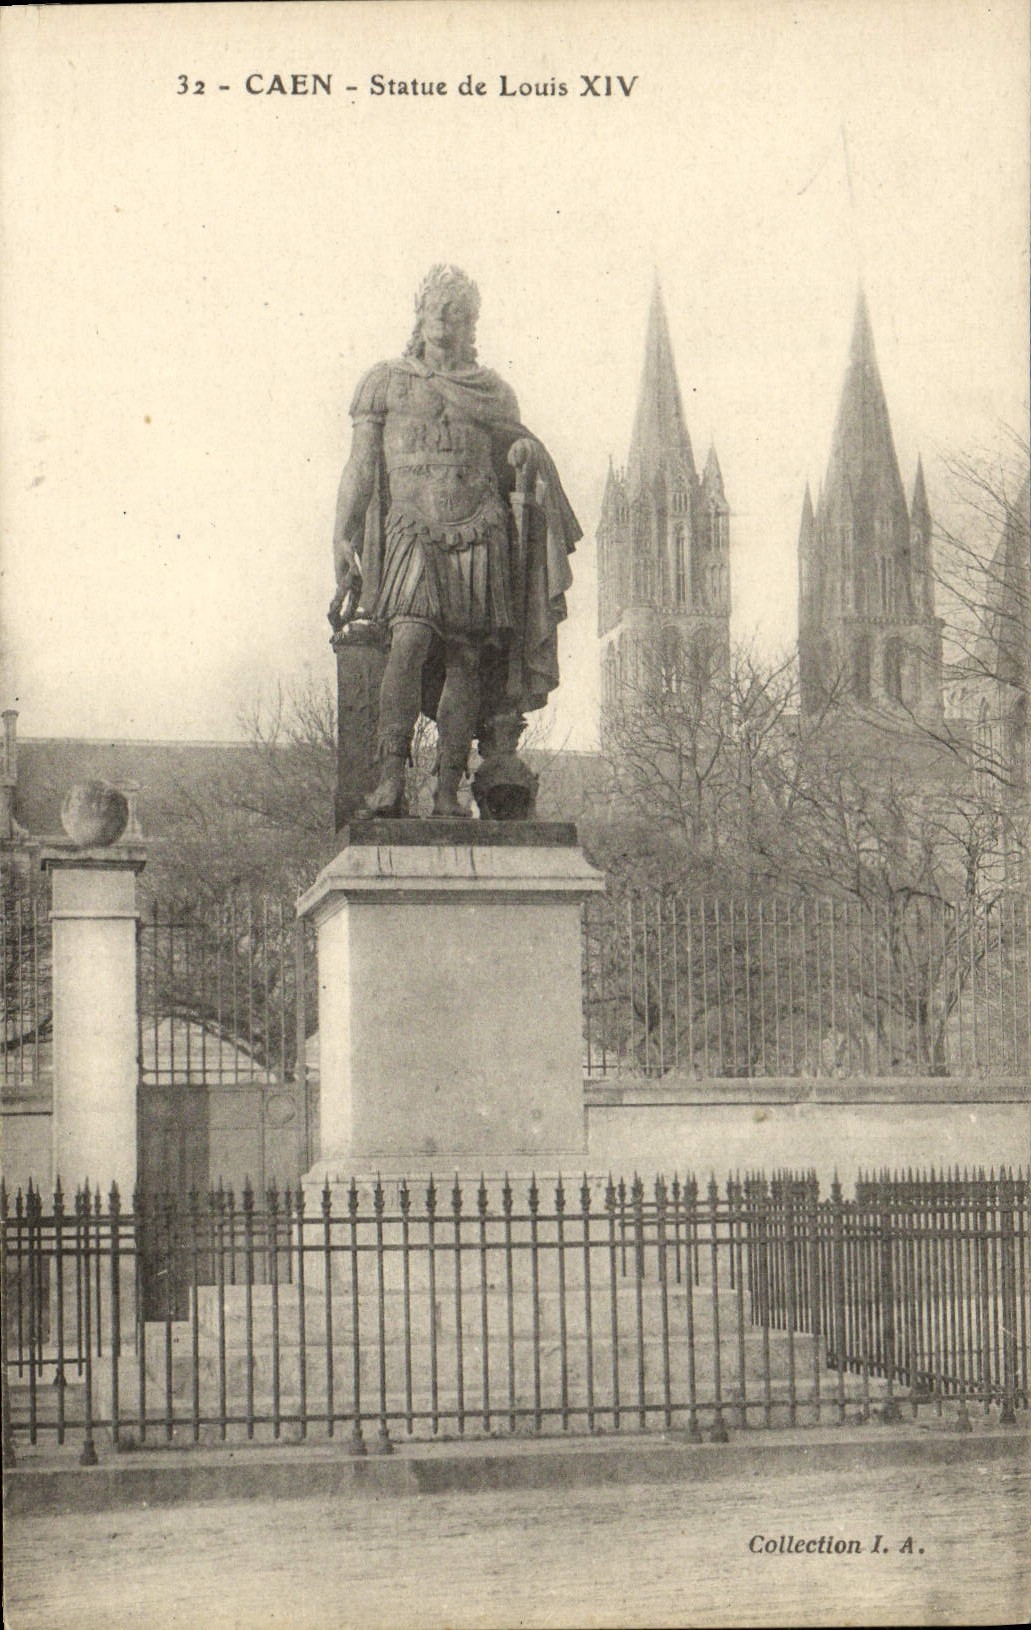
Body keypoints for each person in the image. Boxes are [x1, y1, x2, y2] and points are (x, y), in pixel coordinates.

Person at [330, 265, 580, 817]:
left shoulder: (493, 391)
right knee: (410, 641)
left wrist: (524, 457)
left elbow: (519, 453)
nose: (446, 318)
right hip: (412, 524)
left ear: (472, 324)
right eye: (438, 308)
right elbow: (360, 467)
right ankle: (391, 779)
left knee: (466, 658)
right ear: (419, 312)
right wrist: (341, 536)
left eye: (458, 311)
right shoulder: (384, 382)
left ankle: (447, 790)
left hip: (479, 524)